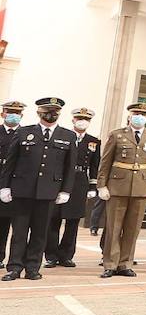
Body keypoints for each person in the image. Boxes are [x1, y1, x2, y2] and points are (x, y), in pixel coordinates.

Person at [0, 97, 78, 282]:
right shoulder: (24, 132)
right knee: (19, 232)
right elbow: (10, 163)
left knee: (40, 232)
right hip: (22, 190)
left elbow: (70, 167)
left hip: (48, 192)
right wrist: (4, 187)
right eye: (46, 111)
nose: (50, 114)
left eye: (54, 111)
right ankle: (14, 267)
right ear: (38, 113)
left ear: (59, 114)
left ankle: (33, 267)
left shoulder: (68, 136)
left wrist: (65, 190)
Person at [94, 102, 146, 278]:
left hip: (142, 186)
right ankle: (110, 263)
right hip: (117, 185)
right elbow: (105, 162)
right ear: (130, 116)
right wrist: (102, 185)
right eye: (136, 114)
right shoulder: (117, 135)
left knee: (133, 229)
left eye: (143, 115)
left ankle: (125, 263)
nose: (139, 117)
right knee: (113, 227)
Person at [45, 106, 100, 268]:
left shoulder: (93, 141)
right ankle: (51, 255)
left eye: (87, 119)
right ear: (73, 120)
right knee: (53, 220)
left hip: (80, 181)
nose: (83, 122)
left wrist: (93, 186)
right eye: (79, 118)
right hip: (60, 180)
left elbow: (95, 165)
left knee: (73, 221)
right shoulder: (63, 135)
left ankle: (66, 255)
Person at [0, 101, 24, 256]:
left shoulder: (24, 134)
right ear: (3, 114)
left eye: (16, 113)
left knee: (4, 222)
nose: (13, 116)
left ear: (21, 116)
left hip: (11, 183)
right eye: (10, 112)